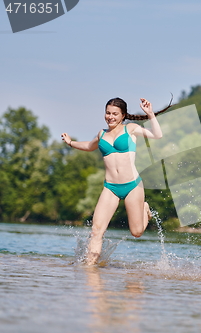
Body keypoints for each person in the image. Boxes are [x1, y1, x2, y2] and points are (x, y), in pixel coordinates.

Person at [61, 97, 170, 265]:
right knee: (96, 231)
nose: (110, 117)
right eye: (107, 113)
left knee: (137, 232)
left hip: (132, 185)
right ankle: (90, 269)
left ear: (123, 115)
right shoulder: (101, 133)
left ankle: (144, 209)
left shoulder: (131, 129)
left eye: (114, 114)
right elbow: (90, 146)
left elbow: (157, 134)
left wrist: (150, 114)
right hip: (110, 187)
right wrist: (70, 143)